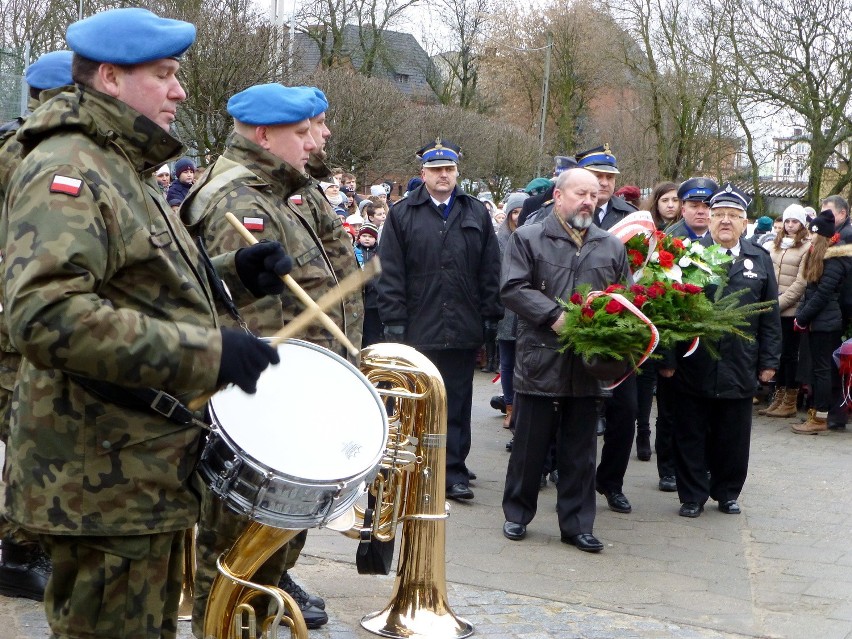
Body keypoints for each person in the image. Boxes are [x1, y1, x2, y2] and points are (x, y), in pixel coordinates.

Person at [0, 8, 289, 638]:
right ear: (109, 77)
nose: (180, 91)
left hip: (135, 471)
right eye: (164, 74)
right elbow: (46, 314)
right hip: (101, 479)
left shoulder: (115, 159)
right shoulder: (68, 168)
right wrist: (205, 355)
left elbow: (140, 280)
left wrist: (232, 270)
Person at [183, 83, 363, 632]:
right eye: (306, 129)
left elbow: (332, 277)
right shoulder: (238, 199)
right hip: (266, 407)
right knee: (235, 552)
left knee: (273, 545)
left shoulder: (285, 190)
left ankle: (263, 600)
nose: (320, 138)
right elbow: (244, 320)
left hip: (303, 395)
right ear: (265, 134)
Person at [500, 168, 630, 552]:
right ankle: (517, 514)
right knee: (529, 446)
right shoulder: (529, 237)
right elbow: (512, 287)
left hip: (588, 365)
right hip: (541, 357)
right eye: (580, 193)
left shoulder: (611, 245)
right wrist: (556, 317)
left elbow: (623, 296)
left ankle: (576, 525)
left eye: (594, 194)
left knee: (580, 450)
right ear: (558, 196)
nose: (588, 200)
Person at [377, 138, 502, 501]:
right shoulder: (403, 214)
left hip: (463, 325)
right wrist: (394, 320)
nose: (443, 175)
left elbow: (489, 267)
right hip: (419, 326)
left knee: (459, 402)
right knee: (417, 402)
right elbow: (390, 271)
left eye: (448, 169)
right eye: (436, 170)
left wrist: (491, 314)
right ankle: (417, 465)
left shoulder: (474, 212)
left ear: (457, 173)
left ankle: (453, 471)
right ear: (423, 174)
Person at [0, 48, 73, 603]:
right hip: (13, 326)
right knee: (28, 436)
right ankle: (18, 552)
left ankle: (28, 543)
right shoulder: (26, 155)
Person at [659, 183, 780, 517]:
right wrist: (668, 358)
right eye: (719, 215)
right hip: (694, 359)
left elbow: (770, 313)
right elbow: (670, 310)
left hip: (740, 360)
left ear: (745, 222)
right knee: (691, 430)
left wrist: (769, 362)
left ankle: (727, 491)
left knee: (734, 433)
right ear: (709, 219)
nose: (725, 221)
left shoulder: (759, 258)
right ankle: (692, 495)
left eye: (733, 216)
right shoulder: (689, 255)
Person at [576, 144, 638, 516]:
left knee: (625, 411)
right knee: (568, 408)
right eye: (597, 176)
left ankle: (611, 482)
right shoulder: (557, 211)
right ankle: (564, 472)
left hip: (617, 329)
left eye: (609, 178)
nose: (603, 183)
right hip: (570, 324)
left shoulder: (631, 218)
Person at [791, 210, 852, 434]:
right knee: (820, 370)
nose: (808, 237)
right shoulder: (820, 257)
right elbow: (811, 292)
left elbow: (823, 294)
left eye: (812, 233)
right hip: (819, 321)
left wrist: (802, 317)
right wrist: (802, 315)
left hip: (826, 323)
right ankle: (817, 414)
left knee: (822, 371)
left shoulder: (834, 261)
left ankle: (821, 417)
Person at [761, 204, 810, 419]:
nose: (790, 225)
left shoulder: (807, 247)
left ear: (802, 224)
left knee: (790, 356)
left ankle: (790, 399)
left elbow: (801, 282)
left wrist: (777, 304)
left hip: (791, 310)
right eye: (787, 221)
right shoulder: (774, 245)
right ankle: (778, 397)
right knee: (777, 355)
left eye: (795, 221)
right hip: (773, 308)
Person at [494, 191, 528, 430]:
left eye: (521, 212)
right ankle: (509, 406)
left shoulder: (532, 236)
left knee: (524, 361)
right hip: (506, 307)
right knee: (506, 361)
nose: (518, 216)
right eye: (514, 212)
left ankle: (524, 407)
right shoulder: (500, 238)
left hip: (526, 307)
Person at [820, 195, 852, 430]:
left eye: (828, 213)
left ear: (842, 214)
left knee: (837, 362)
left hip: (842, 306)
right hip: (840, 306)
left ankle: (837, 412)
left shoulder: (845, 239)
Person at [666, 177, 718, 244]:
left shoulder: (723, 235)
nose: (700, 212)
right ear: (683, 210)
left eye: (706, 206)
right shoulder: (670, 236)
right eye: (694, 206)